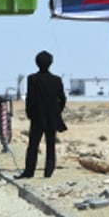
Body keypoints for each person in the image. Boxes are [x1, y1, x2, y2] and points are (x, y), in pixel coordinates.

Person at [20, 50, 67, 179]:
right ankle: (48, 172)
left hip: (37, 118)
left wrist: (30, 113)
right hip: (52, 118)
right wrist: (57, 112)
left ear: (36, 63)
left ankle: (29, 172)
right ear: (51, 63)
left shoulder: (32, 79)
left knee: (33, 146)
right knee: (50, 146)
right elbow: (62, 99)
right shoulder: (56, 80)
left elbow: (30, 99)